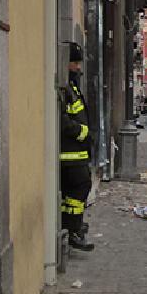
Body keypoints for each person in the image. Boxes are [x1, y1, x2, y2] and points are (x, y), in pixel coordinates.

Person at [59, 41, 95, 252]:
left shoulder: (71, 87)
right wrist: (84, 133)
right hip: (70, 154)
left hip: (77, 153)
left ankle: (72, 226)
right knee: (79, 189)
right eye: (75, 63)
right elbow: (63, 120)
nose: (79, 67)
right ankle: (72, 230)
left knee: (74, 193)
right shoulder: (65, 88)